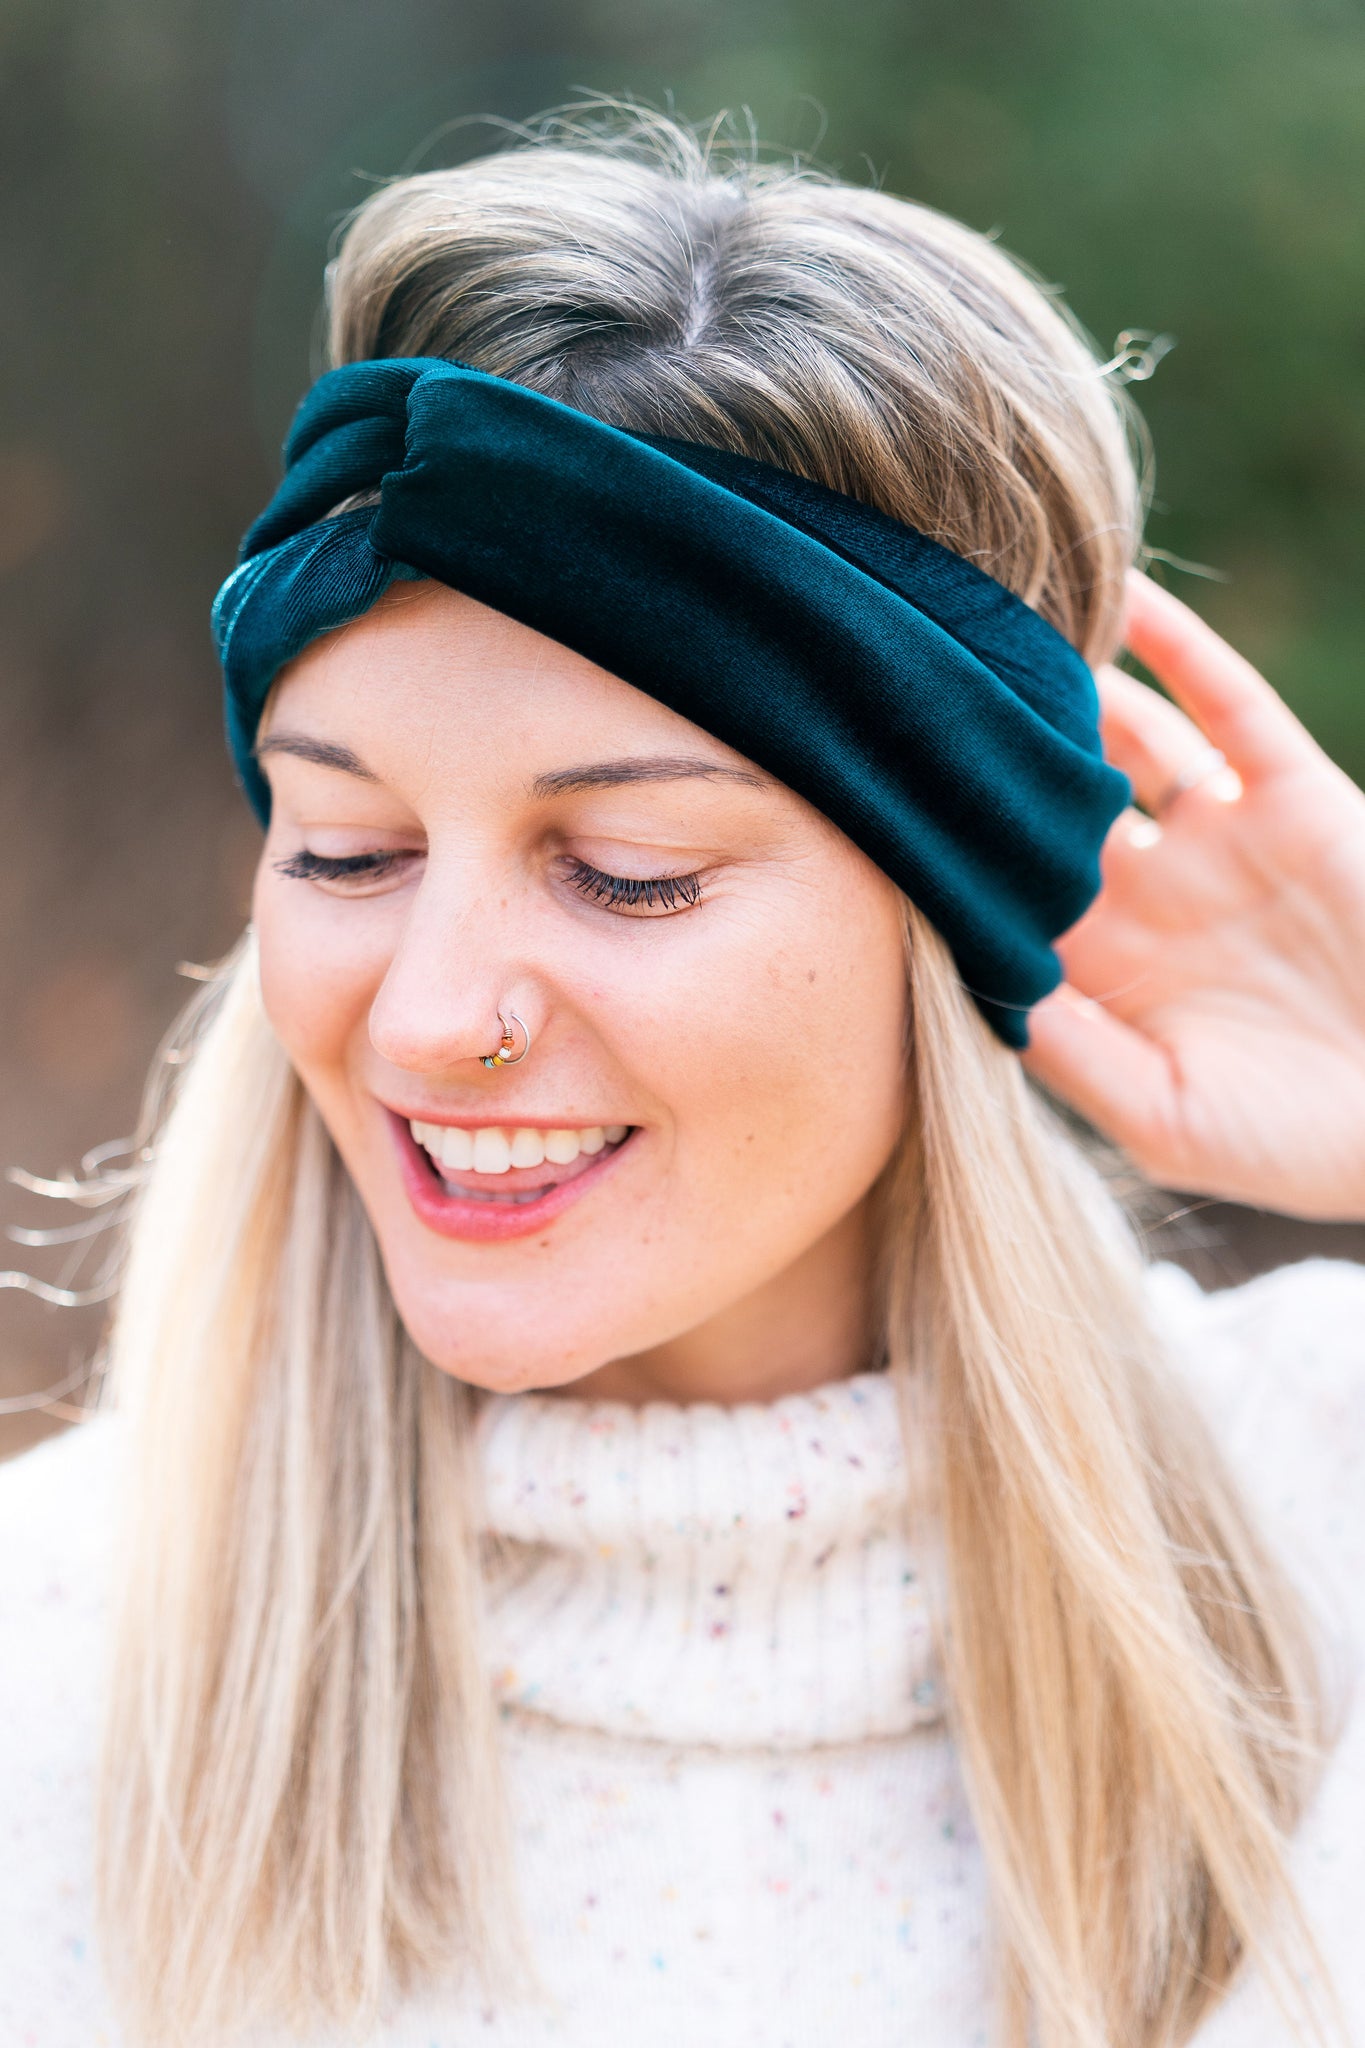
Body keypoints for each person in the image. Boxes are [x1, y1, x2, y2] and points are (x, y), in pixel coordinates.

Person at [2, 105, 1364, 2048]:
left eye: (626, 871)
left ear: (947, 908)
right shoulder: (52, 1672)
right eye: (347, 850)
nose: (427, 1016)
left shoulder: (1323, 1515)